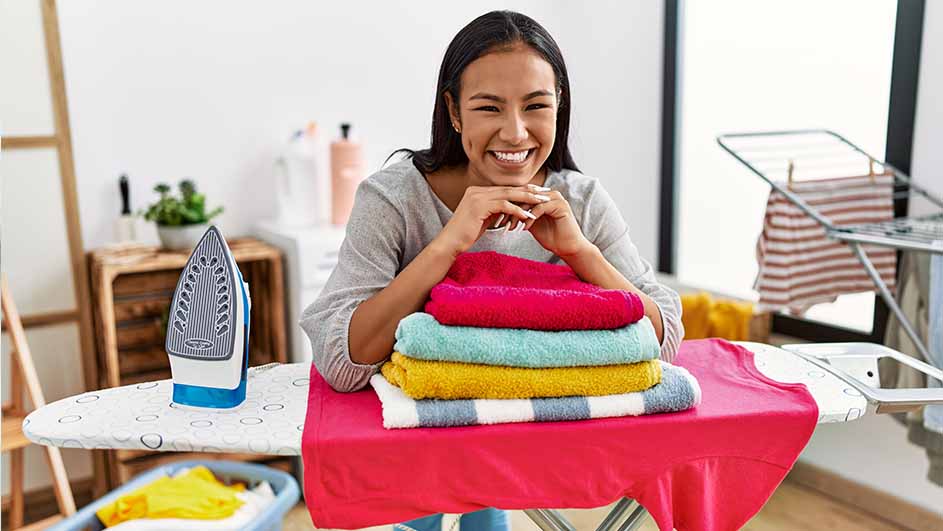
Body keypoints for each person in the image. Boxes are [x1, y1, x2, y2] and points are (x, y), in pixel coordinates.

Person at [299, 10, 683, 531]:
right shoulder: (392, 199)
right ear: (454, 112)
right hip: (420, 445)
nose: (515, 131)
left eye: (536, 106)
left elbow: (662, 338)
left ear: (559, 107)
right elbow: (342, 362)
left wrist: (579, 252)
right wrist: (448, 244)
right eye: (489, 107)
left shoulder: (581, 201)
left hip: (545, 445)